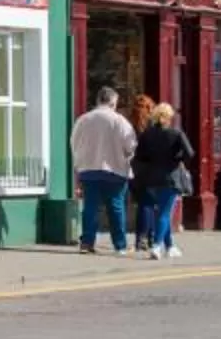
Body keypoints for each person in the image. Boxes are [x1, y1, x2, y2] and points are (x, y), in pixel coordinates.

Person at [70, 84, 138, 254]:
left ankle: (87, 242)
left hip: (89, 168)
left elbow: (74, 143)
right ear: (113, 102)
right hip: (115, 169)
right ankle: (120, 245)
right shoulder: (120, 121)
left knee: (90, 207)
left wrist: (79, 162)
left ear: (98, 100)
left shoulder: (84, 119)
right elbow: (130, 146)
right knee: (116, 207)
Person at [132, 101, 196, 259]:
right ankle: (157, 245)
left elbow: (139, 156)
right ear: (169, 117)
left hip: (151, 179)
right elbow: (190, 153)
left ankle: (170, 246)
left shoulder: (147, 134)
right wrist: (176, 158)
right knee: (164, 214)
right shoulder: (176, 134)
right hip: (170, 178)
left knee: (161, 212)